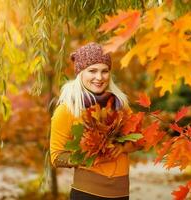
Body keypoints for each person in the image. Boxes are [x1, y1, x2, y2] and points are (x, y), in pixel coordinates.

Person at [50, 42, 138, 200]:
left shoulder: (120, 104)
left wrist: (122, 147)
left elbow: (140, 140)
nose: (99, 77)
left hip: (121, 193)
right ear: (80, 73)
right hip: (87, 193)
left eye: (104, 71)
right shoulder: (67, 109)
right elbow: (56, 157)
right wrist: (91, 155)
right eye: (92, 71)